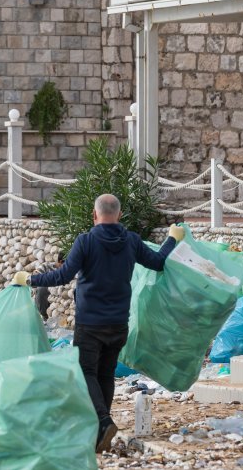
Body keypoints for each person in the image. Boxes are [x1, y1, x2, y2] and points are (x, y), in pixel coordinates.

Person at [11, 194, 185, 453]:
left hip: (90, 323)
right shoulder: (131, 241)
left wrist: (30, 280)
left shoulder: (86, 241)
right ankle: (100, 431)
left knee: (86, 373)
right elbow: (158, 263)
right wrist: (172, 238)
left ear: (94, 215)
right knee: (105, 374)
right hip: (118, 323)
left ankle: (103, 422)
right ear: (120, 214)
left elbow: (63, 275)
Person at [35, 251, 65, 321]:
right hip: (46, 293)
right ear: (60, 262)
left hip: (59, 293)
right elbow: (36, 275)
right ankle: (43, 316)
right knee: (41, 289)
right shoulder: (46, 266)